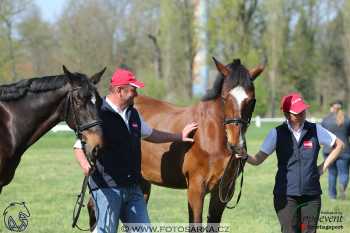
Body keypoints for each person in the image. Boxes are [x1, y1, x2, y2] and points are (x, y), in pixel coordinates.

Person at [73, 68, 198, 233]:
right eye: (133, 90)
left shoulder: (133, 114)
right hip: (107, 188)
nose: (136, 95)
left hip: (133, 187)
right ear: (119, 90)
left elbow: (151, 134)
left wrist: (178, 136)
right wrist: (84, 165)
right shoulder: (98, 113)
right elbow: (78, 146)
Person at [236, 92, 344, 233]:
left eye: (303, 110)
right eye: (297, 112)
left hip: (311, 195)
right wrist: (245, 156)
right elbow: (258, 160)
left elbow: (339, 145)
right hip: (285, 195)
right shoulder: (276, 133)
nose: (302, 113)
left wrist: (322, 167)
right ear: (287, 114)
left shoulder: (315, 129)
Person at [321, 100, 350, 200]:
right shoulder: (347, 120)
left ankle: (332, 196)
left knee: (332, 173)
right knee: (344, 173)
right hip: (344, 150)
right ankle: (342, 185)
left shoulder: (325, 120)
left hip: (329, 151)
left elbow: (321, 135)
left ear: (332, 107)